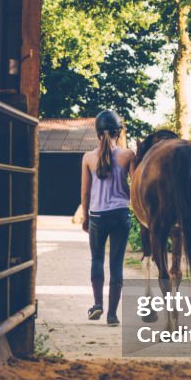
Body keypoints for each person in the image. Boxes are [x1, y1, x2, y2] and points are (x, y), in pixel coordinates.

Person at [80, 110, 135, 326]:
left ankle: (98, 305)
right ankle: (112, 315)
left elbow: (85, 193)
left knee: (97, 260)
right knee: (116, 264)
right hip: (121, 215)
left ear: (97, 133)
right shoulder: (128, 155)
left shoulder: (88, 158)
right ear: (118, 132)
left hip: (97, 216)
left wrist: (85, 216)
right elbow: (136, 186)